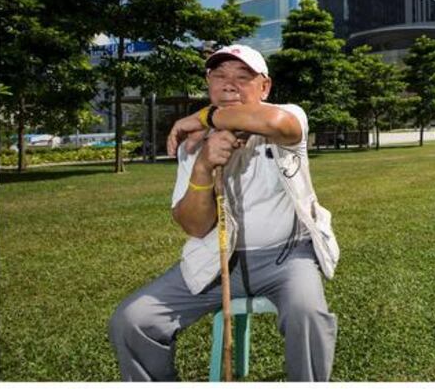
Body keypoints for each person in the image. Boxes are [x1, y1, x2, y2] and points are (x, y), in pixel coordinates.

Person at [109, 44, 338, 382]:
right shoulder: (193, 146)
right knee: (132, 320)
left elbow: (273, 120)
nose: (229, 85)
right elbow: (195, 226)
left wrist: (203, 116)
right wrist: (202, 166)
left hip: (288, 257)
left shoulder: (286, 117)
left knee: (308, 313)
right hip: (216, 259)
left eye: (243, 77)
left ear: (265, 87)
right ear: (208, 82)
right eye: (219, 76)